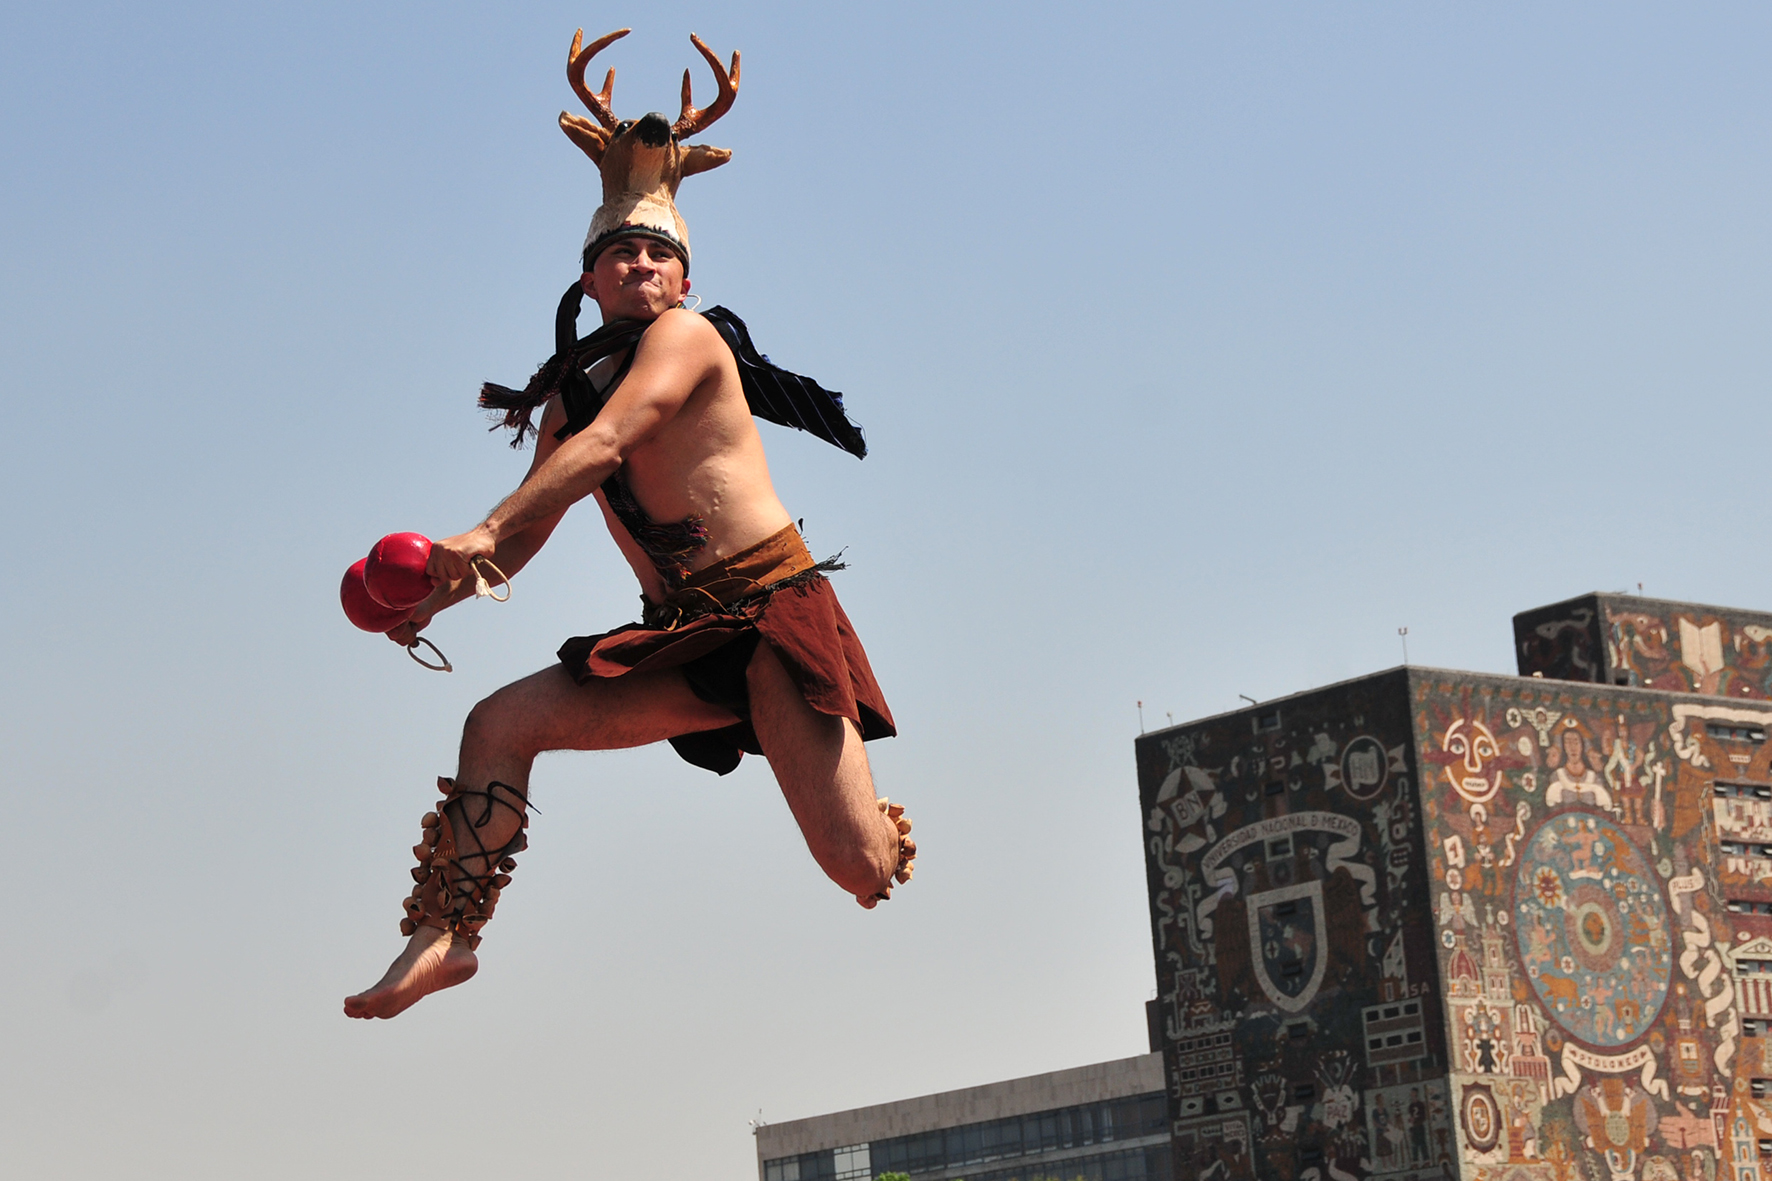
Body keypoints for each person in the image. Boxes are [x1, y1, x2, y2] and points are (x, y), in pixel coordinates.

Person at [345, 28, 913, 1021]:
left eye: (657, 253)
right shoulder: (572, 393)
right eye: (620, 253)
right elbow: (531, 525)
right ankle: (447, 933)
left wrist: (477, 528)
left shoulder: (688, 341)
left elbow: (609, 448)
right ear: (588, 280)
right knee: (495, 724)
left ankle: (878, 821)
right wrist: (439, 589)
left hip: (769, 613)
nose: (640, 265)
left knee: (858, 867)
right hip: (680, 639)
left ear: (683, 279)